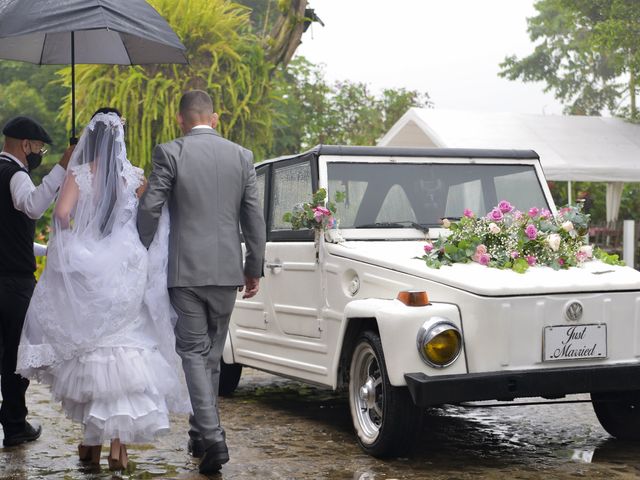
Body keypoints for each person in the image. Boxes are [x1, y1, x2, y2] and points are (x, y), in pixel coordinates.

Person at [16, 109, 190, 469]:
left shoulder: (81, 174)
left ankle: (91, 444)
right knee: (125, 346)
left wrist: (73, 240)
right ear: (120, 138)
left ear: (90, 138)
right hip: (126, 266)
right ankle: (114, 446)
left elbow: (61, 214)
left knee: (92, 354)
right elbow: (153, 215)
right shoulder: (134, 177)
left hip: (90, 265)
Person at [137, 90, 266, 475]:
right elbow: (254, 218)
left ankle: (213, 437)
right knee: (209, 354)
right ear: (215, 118)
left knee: (193, 354)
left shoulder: (169, 152)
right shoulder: (242, 157)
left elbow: (151, 207)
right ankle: (198, 433)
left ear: (180, 120)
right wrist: (253, 267)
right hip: (227, 272)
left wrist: (137, 248)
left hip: (186, 273)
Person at [0, 116, 74, 447]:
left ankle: (13, 418)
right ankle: (15, 424)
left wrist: (48, 250)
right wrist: (61, 167)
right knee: (16, 355)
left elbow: (10, 234)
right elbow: (32, 206)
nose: (40, 152)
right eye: (39, 147)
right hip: (13, 284)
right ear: (25, 144)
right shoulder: (15, 174)